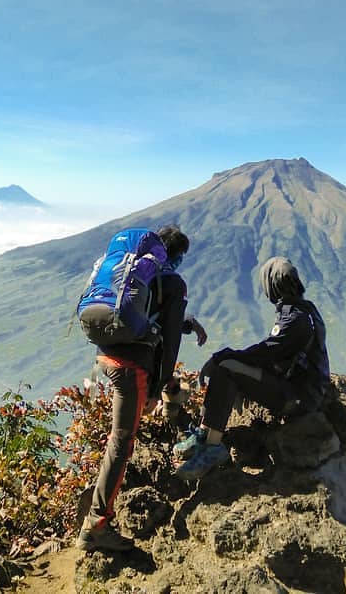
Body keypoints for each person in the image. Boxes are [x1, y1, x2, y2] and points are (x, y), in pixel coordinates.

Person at [75, 224, 208, 552]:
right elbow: (170, 342)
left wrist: (185, 325)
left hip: (105, 358)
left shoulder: (134, 274)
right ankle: (95, 526)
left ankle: (93, 505)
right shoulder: (173, 281)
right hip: (131, 369)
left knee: (121, 436)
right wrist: (156, 389)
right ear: (173, 255)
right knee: (121, 443)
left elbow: (155, 321)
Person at [173, 256, 330, 481]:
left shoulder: (295, 318)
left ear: (271, 286)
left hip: (297, 399)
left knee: (227, 368)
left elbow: (264, 353)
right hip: (301, 392)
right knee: (229, 366)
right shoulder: (304, 310)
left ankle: (212, 447)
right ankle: (204, 436)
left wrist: (219, 357)